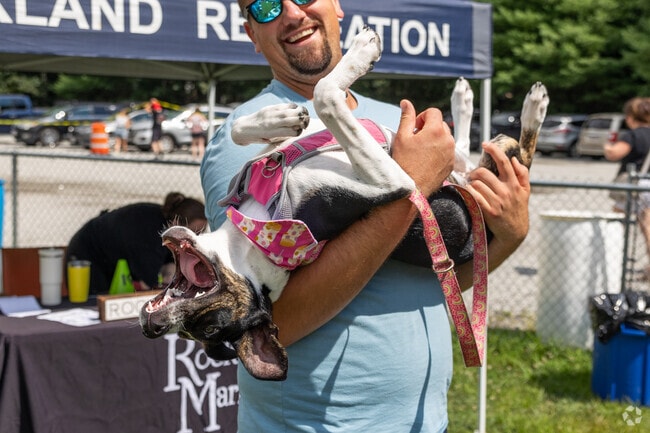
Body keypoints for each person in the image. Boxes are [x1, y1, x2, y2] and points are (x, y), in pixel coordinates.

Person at [200, 1, 531, 431]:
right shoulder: (248, 137)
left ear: (337, 6)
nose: (292, 14)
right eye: (262, 6)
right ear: (252, 36)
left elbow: (433, 279)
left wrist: (509, 234)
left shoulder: (396, 119)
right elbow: (262, 323)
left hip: (427, 421)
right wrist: (407, 188)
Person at [66, 192, 206, 295]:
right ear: (176, 223)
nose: (195, 238)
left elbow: (168, 266)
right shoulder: (150, 230)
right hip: (87, 256)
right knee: (93, 304)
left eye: (201, 232)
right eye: (193, 232)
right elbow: (149, 282)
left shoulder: (165, 225)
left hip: (106, 257)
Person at [604, 97, 650, 271]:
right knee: (647, 226)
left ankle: (612, 262)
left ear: (631, 117)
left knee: (616, 223)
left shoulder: (633, 135)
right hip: (649, 184)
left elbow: (615, 153)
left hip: (635, 184)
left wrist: (608, 147)